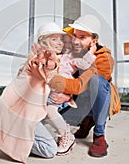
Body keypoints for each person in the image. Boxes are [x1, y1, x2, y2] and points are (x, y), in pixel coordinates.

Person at [0, 22, 65, 163]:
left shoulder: (40, 61)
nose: (59, 42)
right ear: (43, 42)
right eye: (54, 39)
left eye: (60, 39)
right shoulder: (38, 61)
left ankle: (4, 132)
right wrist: (48, 60)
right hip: (21, 115)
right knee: (49, 150)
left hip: (23, 113)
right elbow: (45, 67)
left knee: (44, 143)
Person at [48, 14, 115, 158]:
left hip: (95, 100)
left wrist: (55, 82)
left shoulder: (104, 58)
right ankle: (87, 119)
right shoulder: (72, 53)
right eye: (75, 36)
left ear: (94, 41)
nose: (76, 41)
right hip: (77, 100)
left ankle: (99, 135)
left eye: (82, 37)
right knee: (52, 114)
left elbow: (79, 86)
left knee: (97, 81)